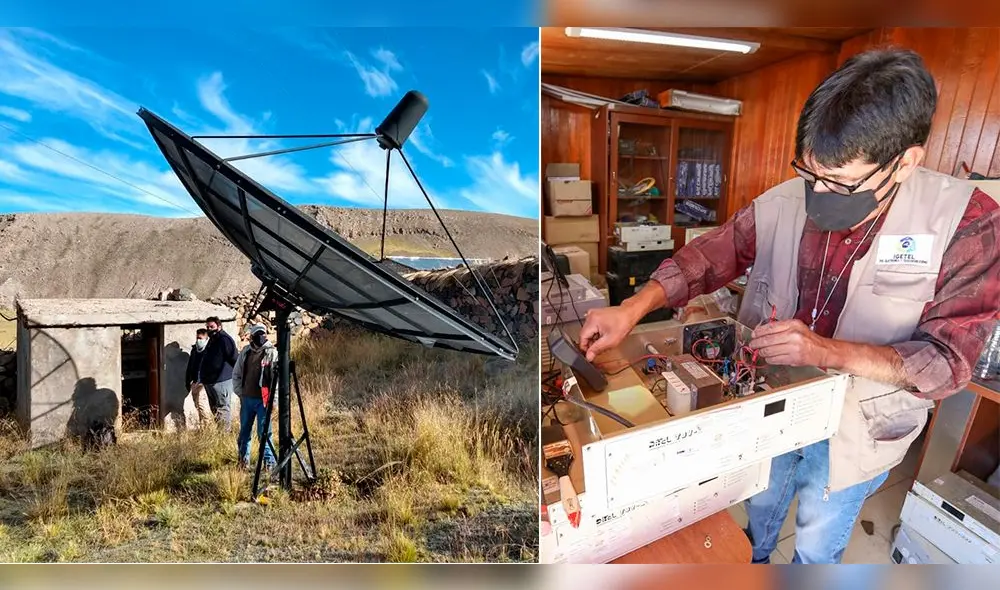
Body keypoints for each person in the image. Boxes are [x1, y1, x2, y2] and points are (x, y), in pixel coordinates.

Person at [578, 49, 1000, 564]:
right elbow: (709, 258)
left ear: (905, 161)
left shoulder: (966, 223)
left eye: (840, 182)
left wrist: (826, 350)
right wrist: (632, 309)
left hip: (857, 430)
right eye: (810, 173)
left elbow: (947, 364)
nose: (818, 194)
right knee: (760, 515)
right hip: (770, 406)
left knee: (818, 546)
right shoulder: (783, 200)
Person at [232, 323, 278, 471]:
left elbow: (275, 380)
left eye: (263, 333)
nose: (261, 337)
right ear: (251, 337)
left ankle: (269, 462)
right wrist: (240, 392)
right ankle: (243, 460)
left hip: (263, 400)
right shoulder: (246, 352)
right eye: (258, 334)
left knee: (264, 432)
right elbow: (236, 374)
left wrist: (274, 400)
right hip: (247, 399)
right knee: (245, 431)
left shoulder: (271, 353)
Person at [198, 316, 238, 430]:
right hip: (210, 381)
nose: (209, 329)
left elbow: (234, 358)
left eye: (212, 326)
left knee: (222, 408)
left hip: (221, 380)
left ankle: (225, 435)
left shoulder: (224, 340)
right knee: (214, 409)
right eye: (208, 327)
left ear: (219, 326)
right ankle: (220, 433)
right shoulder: (213, 340)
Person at [184, 328, 214, 429]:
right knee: (198, 407)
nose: (198, 340)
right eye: (197, 338)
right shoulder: (194, 350)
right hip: (195, 382)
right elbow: (190, 367)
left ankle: (209, 430)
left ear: (206, 338)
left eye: (200, 338)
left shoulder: (210, 351)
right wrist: (188, 382)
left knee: (203, 407)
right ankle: (203, 429)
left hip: (204, 383)